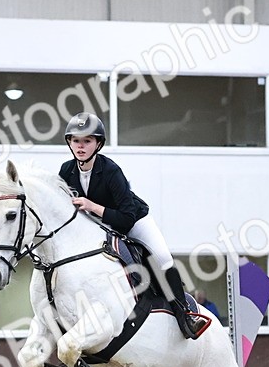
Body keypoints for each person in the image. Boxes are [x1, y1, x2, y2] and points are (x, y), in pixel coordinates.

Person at [59, 112, 207, 340]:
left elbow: (126, 217)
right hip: (100, 227)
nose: (80, 146)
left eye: (87, 141)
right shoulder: (66, 170)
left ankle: (185, 316)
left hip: (133, 221)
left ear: (98, 144)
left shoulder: (111, 170)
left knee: (162, 258)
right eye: (76, 140)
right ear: (69, 142)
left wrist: (92, 206)